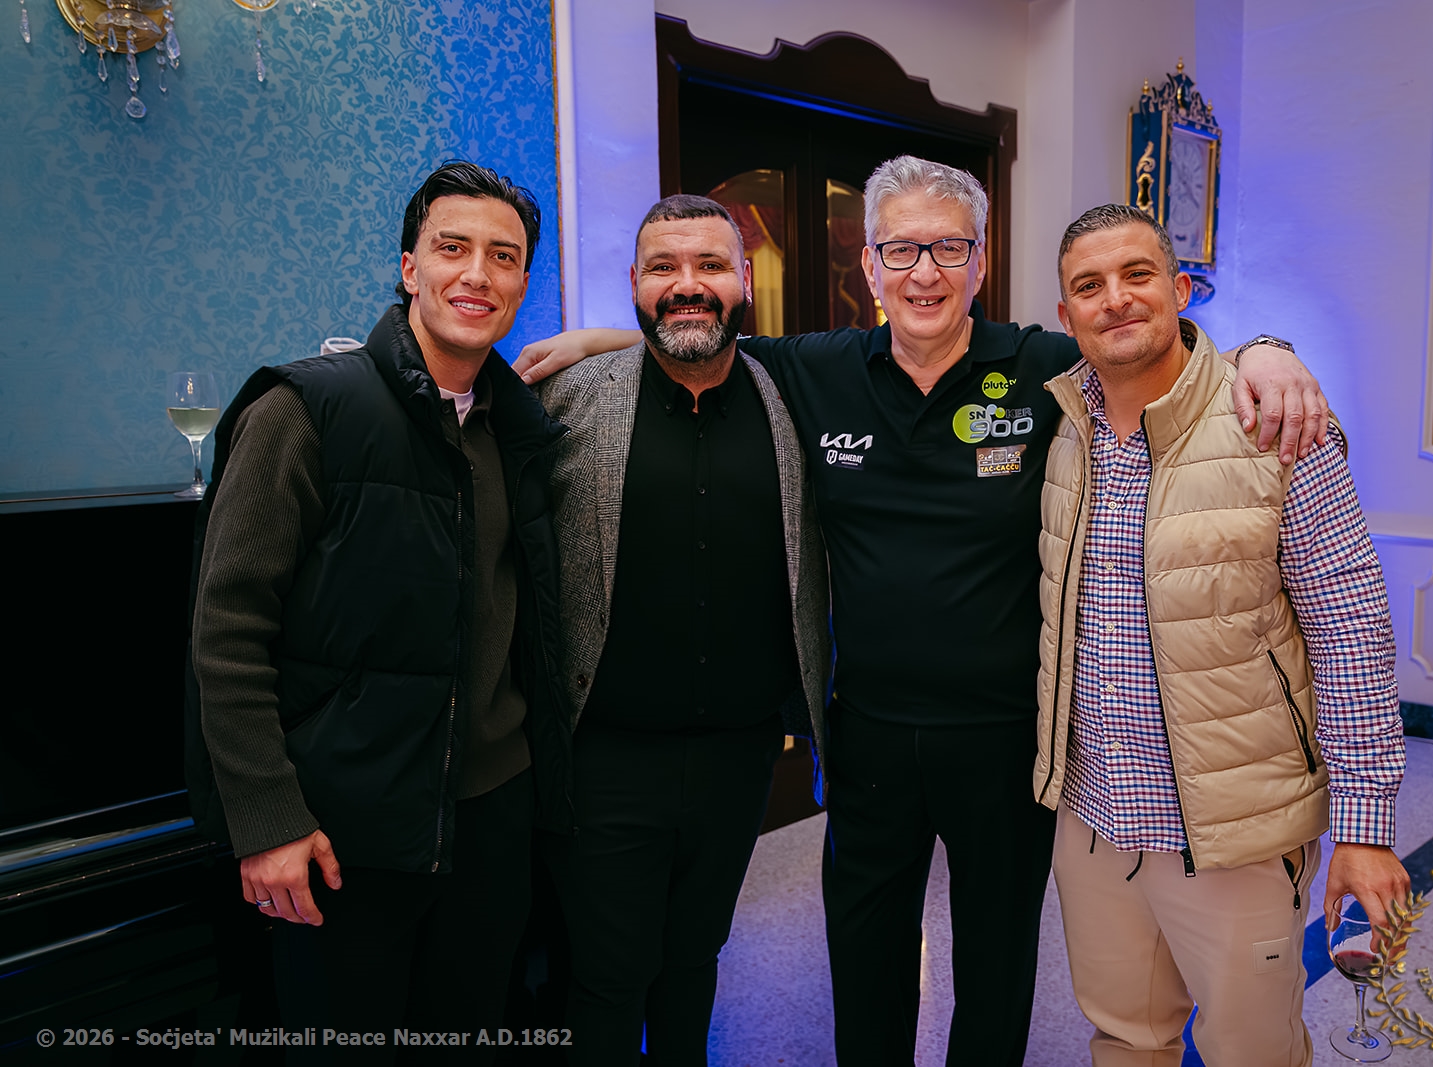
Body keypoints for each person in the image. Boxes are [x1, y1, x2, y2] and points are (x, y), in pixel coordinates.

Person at [516, 156, 1329, 1067]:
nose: (924, 272)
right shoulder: (818, 369)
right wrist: (601, 340)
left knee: (995, 965)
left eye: (948, 248)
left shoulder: (1046, 366)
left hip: (1006, 740)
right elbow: (703, 339)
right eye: (901, 250)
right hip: (868, 735)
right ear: (870, 266)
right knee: (865, 961)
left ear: (980, 262)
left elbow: (1150, 344)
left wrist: (1267, 350)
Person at [188, 161, 568, 1061]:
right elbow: (228, 630)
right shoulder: (305, 407)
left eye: (504, 257)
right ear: (409, 268)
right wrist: (267, 818)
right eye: (453, 247)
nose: (477, 273)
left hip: (489, 824)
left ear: (523, 283)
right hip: (342, 834)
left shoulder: (518, 427)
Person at [1037, 203, 1409, 1065]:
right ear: (1065, 315)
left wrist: (1364, 826)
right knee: (1124, 1036)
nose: (1115, 299)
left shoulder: (1274, 423)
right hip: (1095, 817)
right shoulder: (1063, 431)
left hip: (1238, 831)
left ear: (1180, 288)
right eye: (1089, 286)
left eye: (1137, 274)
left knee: (1253, 1050)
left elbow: (1352, 627)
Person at [532, 194, 830, 1065]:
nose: (687, 284)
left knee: (695, 956)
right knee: (606, 973)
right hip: (606, 754)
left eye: (710, 265)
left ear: (745, 282)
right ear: (634, 282)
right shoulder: (565, 400)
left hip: (741, 753)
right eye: (664, 267)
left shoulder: (794, 399)